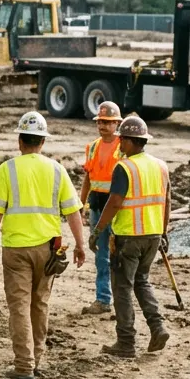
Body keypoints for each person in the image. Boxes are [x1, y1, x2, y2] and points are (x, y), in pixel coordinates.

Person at [0, 111, 87, 379]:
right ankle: (35, 359)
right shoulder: (56, 170)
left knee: (19, 306)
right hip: (49, 251)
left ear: (20, 141)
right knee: (40, 304)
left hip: (16, 250)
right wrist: (80, 245)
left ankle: (24, 365)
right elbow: (74, 212)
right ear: (43, 141)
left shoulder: (8, 169)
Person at [90, 116, 171, 357]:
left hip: (129, 237)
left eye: (121, 140)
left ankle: (126, 342)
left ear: (129, 140)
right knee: (142, 281)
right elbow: (166, 201)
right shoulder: (160, 165)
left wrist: (97, 231)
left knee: (123, 287)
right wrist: (164, 232)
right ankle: (158, 328)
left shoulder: (124, 167)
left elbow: (114, 202)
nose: (119, 144)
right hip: (153, 235)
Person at [79, 101, 123, 315]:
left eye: (107, 122)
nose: (103, 126)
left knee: (120, 255)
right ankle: (103, 299)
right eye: (100, 122)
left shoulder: (124, 147)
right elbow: (88, 177)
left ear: (117, 123)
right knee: (101, 253)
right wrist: (81, 203)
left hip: (118, 208)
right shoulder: (93, 146)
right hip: (97, 205)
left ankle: (122, 300)